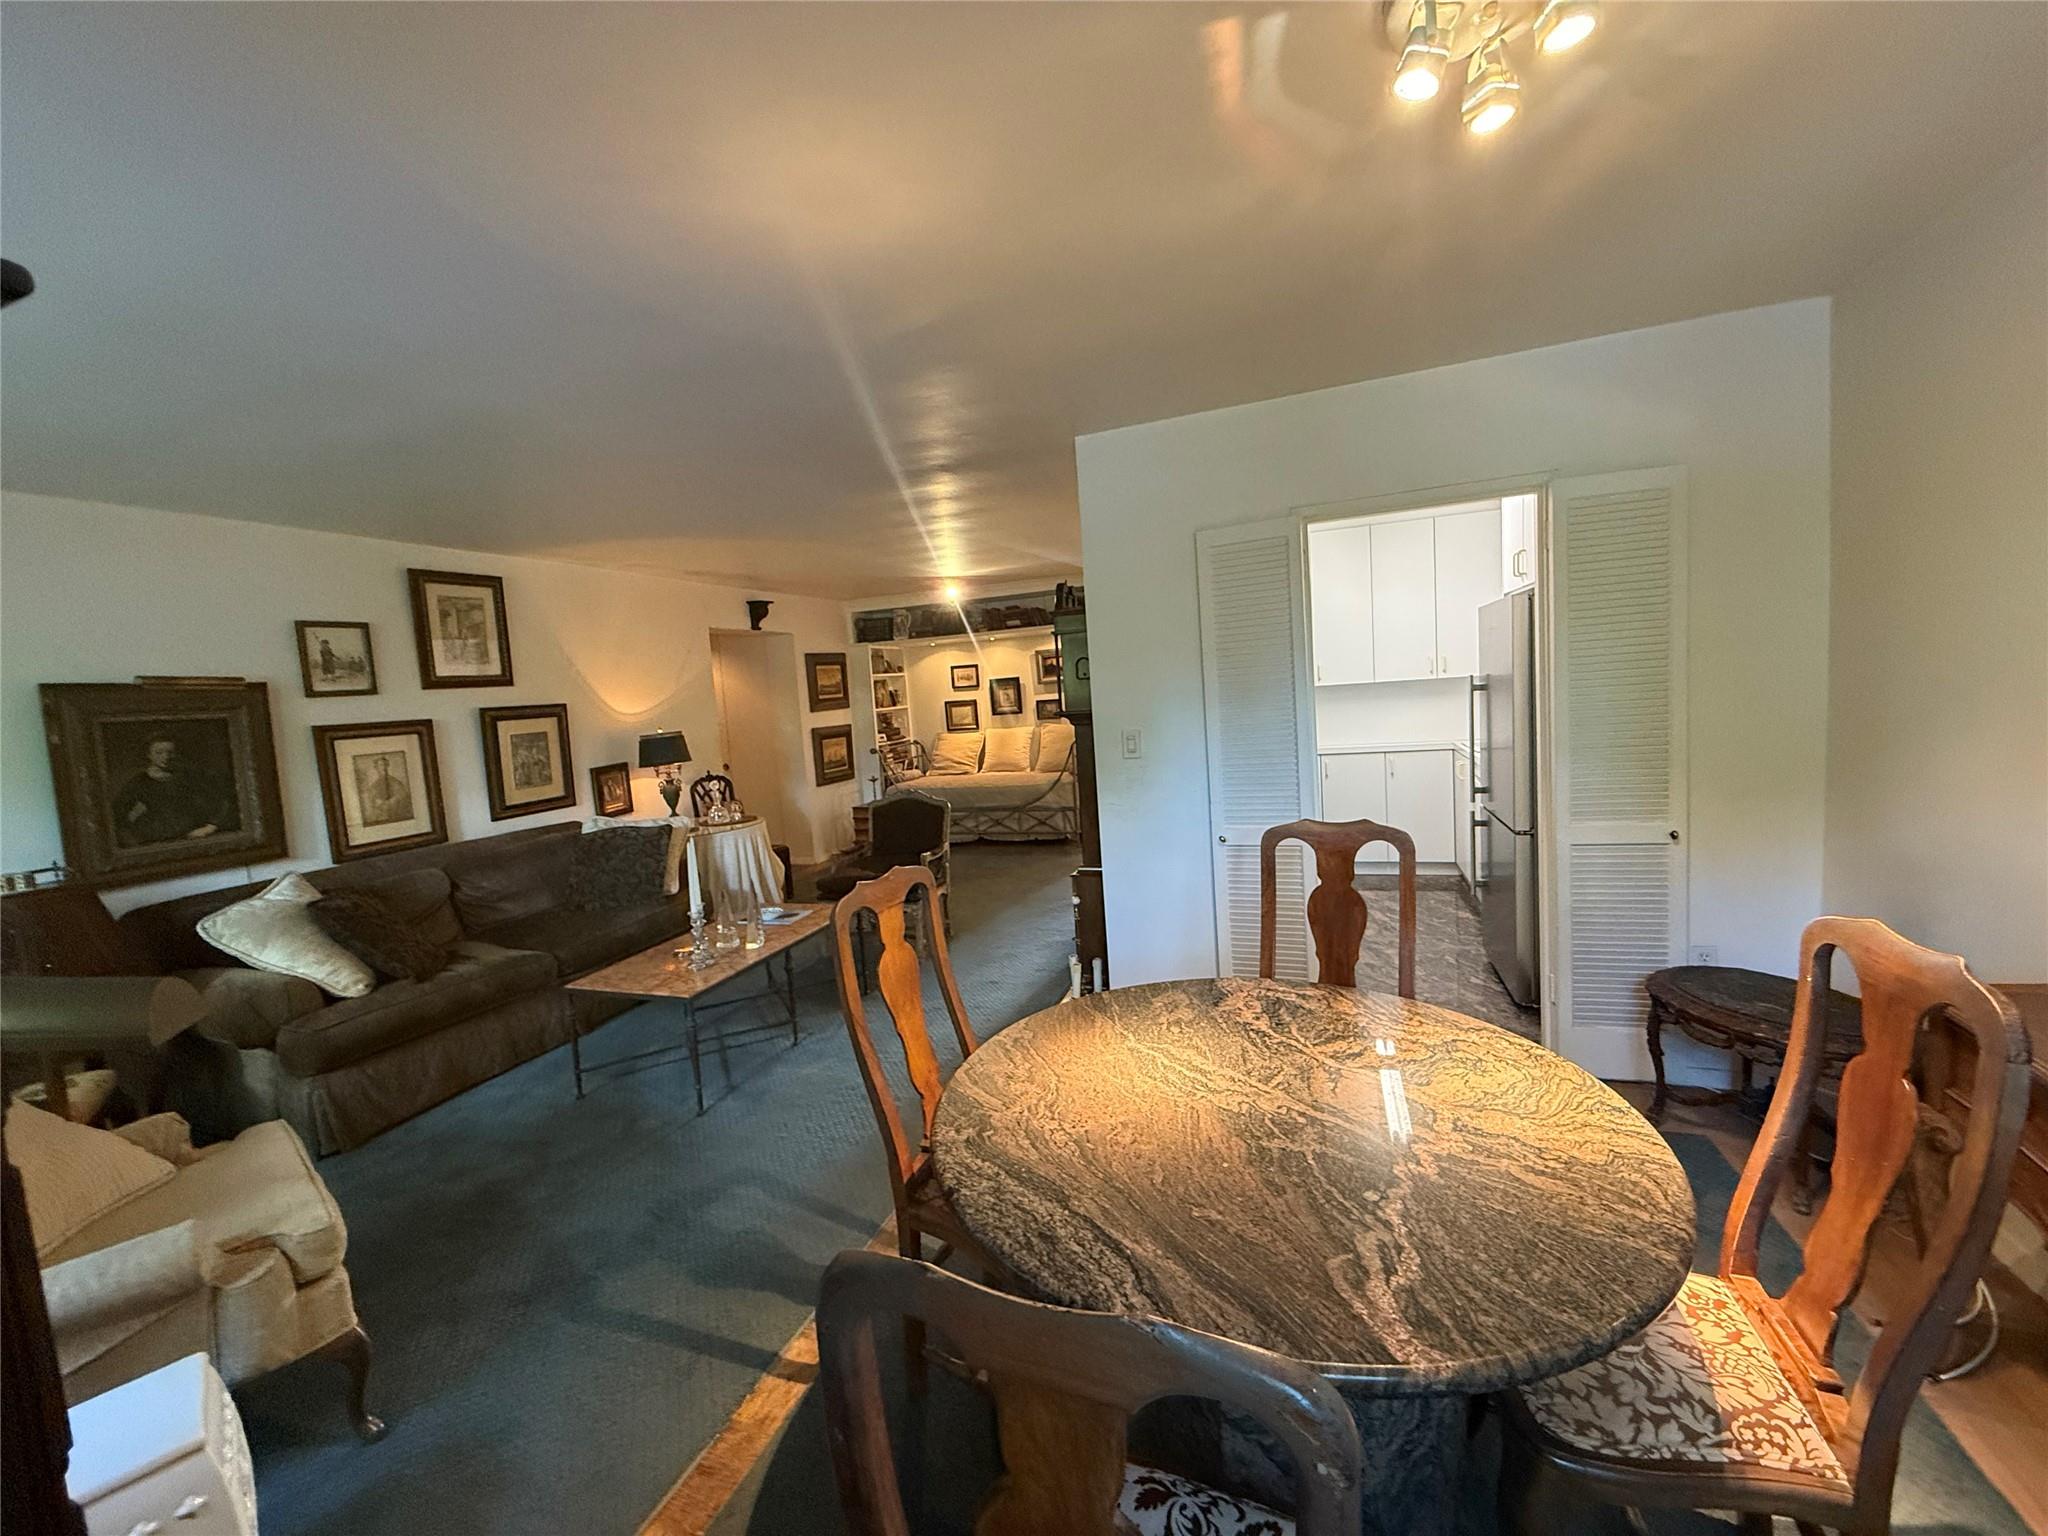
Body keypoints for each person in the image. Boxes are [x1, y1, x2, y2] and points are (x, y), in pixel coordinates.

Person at [110, 734, 238, 846]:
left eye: (170, 752)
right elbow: (118, 811)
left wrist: (210, 827)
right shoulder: (139, 781)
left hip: (191, 833)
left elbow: (220, 799)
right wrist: (130, 838)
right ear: (149, 755)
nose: (165, 757)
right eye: (159, 753)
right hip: (154, 835)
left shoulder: (187, 776)